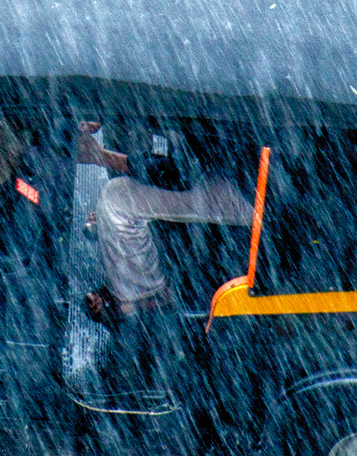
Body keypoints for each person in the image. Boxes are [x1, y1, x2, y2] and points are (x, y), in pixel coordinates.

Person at [76, 123, 254, 328]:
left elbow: (183, 172)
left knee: (116, 200)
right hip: (236, 176)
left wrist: (104, 158)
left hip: (242, 190)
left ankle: (141, 292)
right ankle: (139, 283)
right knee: (121, 195)